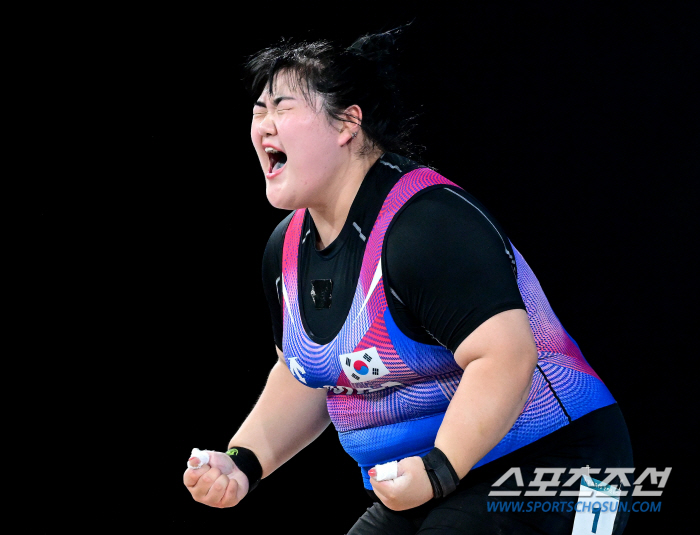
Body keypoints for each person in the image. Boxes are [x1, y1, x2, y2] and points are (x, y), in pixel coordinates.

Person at [183, 27, 634, 534]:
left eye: (282, 107)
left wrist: (439, 471)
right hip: (440, 472)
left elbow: (507, 356)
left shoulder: (424, 226)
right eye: (258, 110)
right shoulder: (285, 251)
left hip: (570, 465)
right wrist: (243, 461)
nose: (263, 125)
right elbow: (306, 372)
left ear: (347, 123)